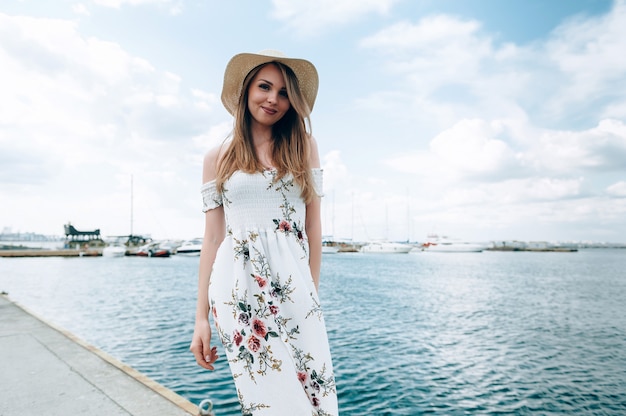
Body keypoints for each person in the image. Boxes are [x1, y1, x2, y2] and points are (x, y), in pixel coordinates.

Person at [190, 50, 338, 416]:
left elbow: (313, 223)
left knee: (314, 393)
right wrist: (200, 319)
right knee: (268, 400)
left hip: (295, 284)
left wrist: (312, 291)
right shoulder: (216, 157)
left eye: (284, 92)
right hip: (237, 290)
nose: (273, 99)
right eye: (265, 87)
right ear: (246, 91)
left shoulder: (304, 145)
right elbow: (212, 239)